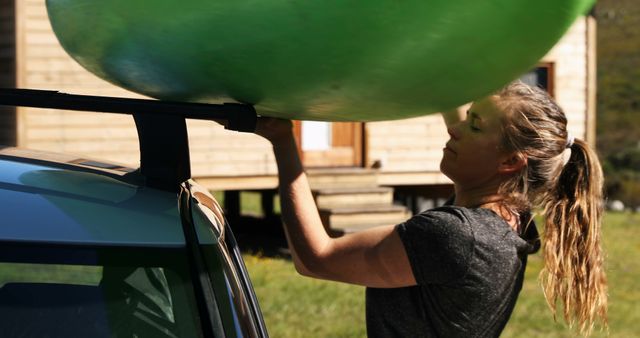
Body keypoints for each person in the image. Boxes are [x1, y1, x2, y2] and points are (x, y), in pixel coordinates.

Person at [253, 81, 607, 337]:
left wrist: (284, 141)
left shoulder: (456, 236)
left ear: (510, 162)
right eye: (466, 117)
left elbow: (316, 258)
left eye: (474, 126)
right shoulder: (510, 223)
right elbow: (475, 179)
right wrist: (441, 78)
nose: (455, 129)